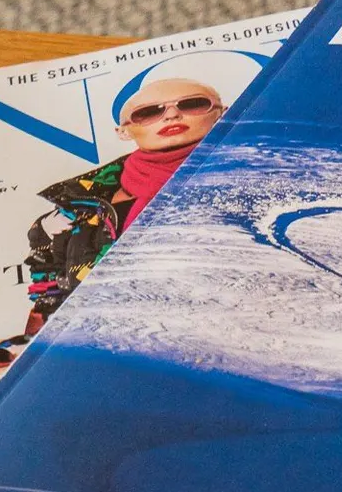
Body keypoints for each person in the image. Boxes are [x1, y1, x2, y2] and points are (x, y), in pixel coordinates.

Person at [23, 77, 226, 332]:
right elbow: (48, 287)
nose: (172, 115)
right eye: (148, 112)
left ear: (223, 113)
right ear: (123, 131)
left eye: (193, 104)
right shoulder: (73, 209)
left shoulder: (255, 177)